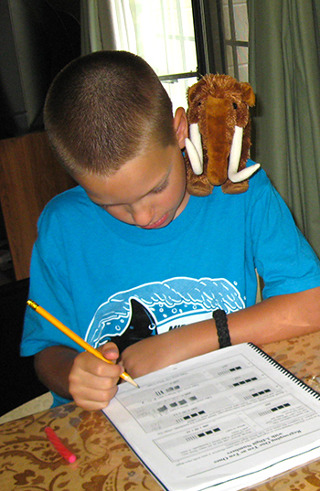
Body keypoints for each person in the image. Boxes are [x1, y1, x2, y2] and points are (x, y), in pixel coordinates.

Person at [21, 50, 320, 411]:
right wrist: (74, 375)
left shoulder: (238, 190)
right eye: (111, 203)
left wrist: (185, 341)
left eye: (156, 188)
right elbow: (46, 350)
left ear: (180, 129)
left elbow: (310, 305)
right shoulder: (63, 225)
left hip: (225, 407)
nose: (144, 216)